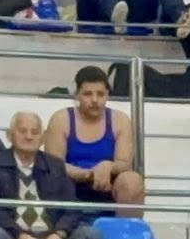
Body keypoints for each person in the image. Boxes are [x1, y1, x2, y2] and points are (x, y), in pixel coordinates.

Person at [44, 66, 144, 214]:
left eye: (100, 94)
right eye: (88, 94)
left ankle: (125, 228)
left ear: (108, 95)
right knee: (53, 179)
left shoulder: (120, 120)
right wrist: (88, 174)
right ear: (77, 95)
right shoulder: (61, 119)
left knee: (132, 181)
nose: (95, 100)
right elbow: (54, 164)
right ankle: (62, 224)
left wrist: (108, 166)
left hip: (108, 186)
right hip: (70, 185)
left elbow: (124, 163)